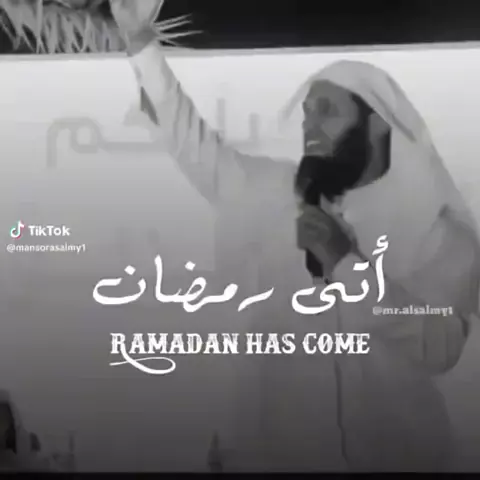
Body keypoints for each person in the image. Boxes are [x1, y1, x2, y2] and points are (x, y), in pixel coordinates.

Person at [2, 0, 478, 471]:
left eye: (327, 112)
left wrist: (346, 265)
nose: (309, 125)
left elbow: (439, 348)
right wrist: (141, 42)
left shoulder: (438, 234)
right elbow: (188, 137)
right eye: (307, 112)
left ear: (377, 125)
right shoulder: (269, 193)